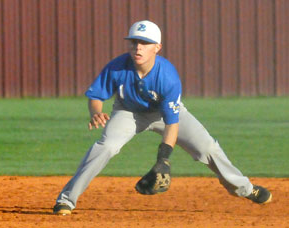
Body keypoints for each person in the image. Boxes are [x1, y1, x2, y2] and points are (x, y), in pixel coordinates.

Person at [53, 20, 272, 215]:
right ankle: (66, 199)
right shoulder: (117, 67)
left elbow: (172, 123)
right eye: (134, 42)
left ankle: (244, 188)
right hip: (128, 112)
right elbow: (96, 95)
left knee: (207, 148)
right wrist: (95, 112)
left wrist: (163, 159)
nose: (138, 47)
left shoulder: (168, 77)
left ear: (157, 47)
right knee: (105, 146)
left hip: (163, 113)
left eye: (145, 43)